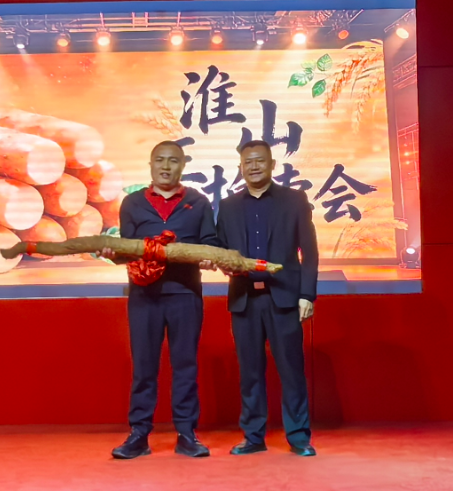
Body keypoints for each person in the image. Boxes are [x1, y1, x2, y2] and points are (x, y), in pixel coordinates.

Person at [104, 141, 219, 459]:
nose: (166, 167)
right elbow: (126, 249)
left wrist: (209, 256)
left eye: (173, 161)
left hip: (185, 295)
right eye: (160, 160)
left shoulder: (198, 202)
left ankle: (187, 434)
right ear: (151, 165)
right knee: (144, 367)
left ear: (183, 166)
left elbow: (210, 242)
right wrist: (112, 253)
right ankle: (139, 435)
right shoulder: (132, 203)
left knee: (185, 366)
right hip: (144, 296)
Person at [216, 140, 319, 457]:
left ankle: (299, 437)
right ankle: (253, 437)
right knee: (249, 373)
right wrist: (221, 262)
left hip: (284, 298)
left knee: (291, 370)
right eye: (248, 162)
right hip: (244, 300)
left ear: (272, 165)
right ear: (240, 167)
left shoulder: (294, 200)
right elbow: (221, 250)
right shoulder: (228, 206)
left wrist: (306, 294)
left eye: (260, 161)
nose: (254, 166)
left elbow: (309, 251)